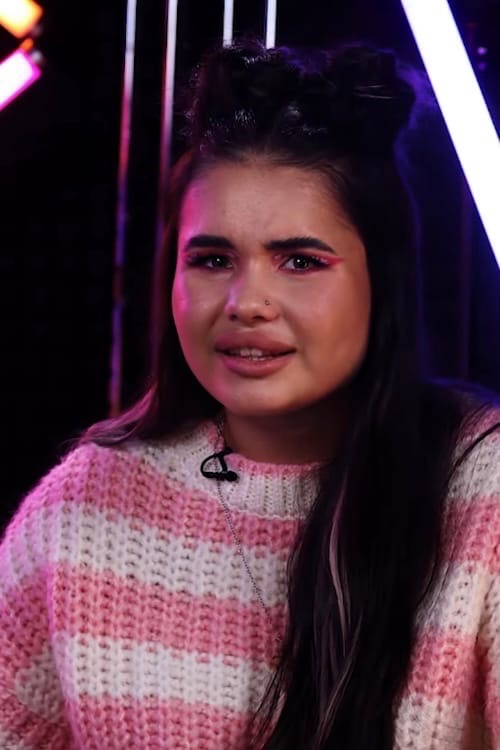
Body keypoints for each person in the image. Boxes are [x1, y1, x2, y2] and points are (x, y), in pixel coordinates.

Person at [1, 37, 499, 750]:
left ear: (382, 281)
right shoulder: (85, 506)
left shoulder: (481, 489)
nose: (246, 303)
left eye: (299, 261)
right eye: (212, 259)